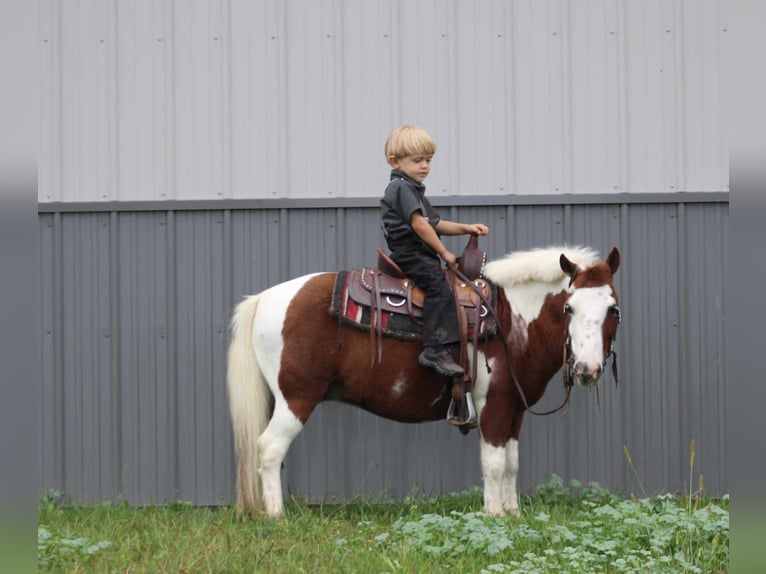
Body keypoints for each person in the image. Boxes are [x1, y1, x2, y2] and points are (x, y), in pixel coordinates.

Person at [380, 125, 489, 378]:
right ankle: (434, 348)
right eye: (417, 161)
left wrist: (466, 227)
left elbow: (435, 224)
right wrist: (444, 253)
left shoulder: (412, 188)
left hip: (417, 251)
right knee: (439, 287)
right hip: (411, 253)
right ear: (394, 162)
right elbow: (420, 225)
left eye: (428, 160)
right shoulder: (401, 189)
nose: (425, 166)